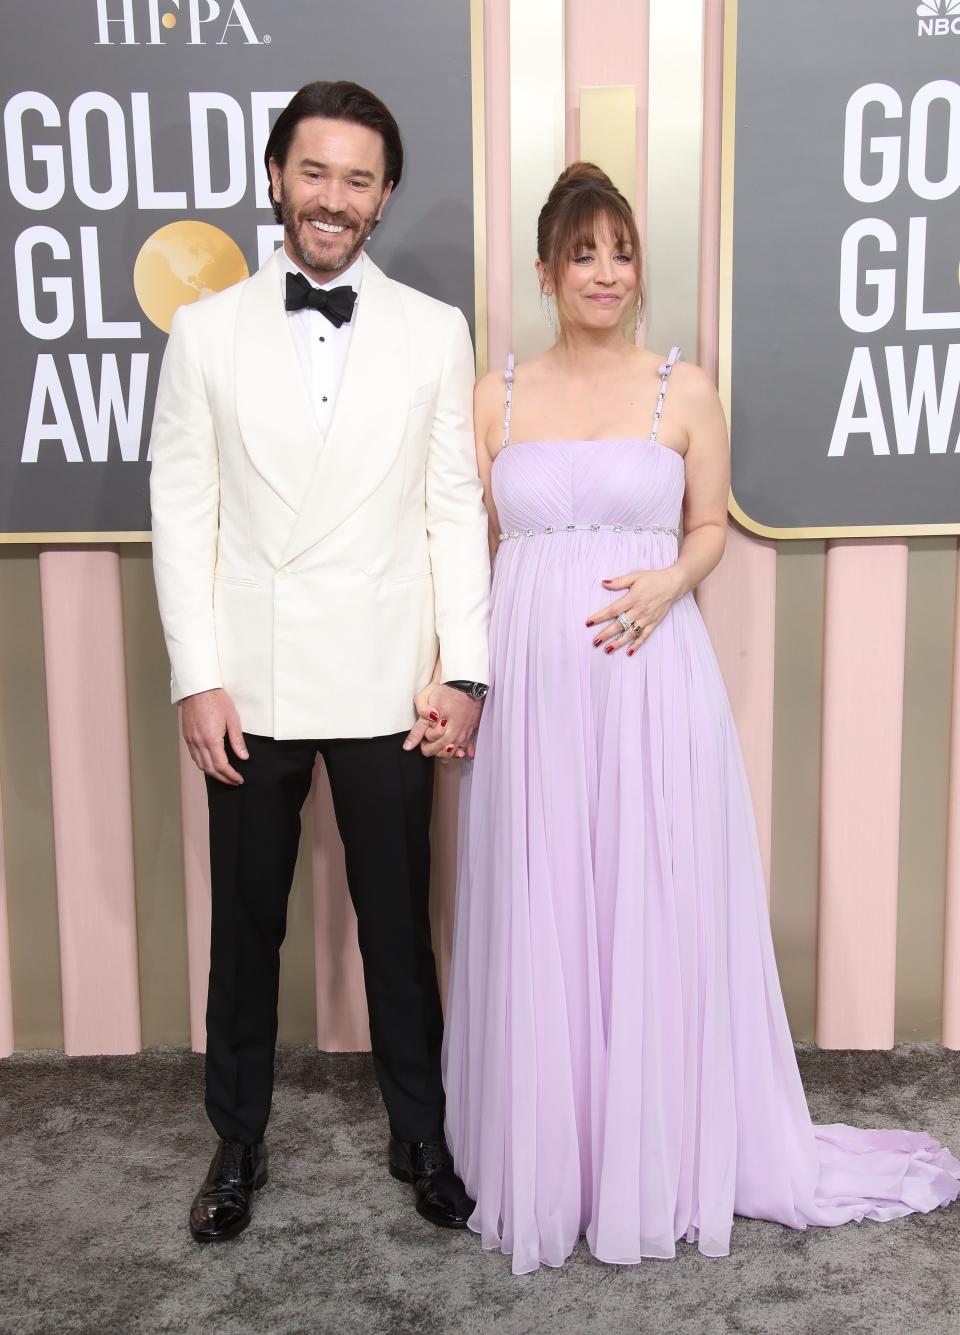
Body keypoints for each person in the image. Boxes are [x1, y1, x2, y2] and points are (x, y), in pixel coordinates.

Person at [439, 162, 960, 1274]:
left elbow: (710, 527)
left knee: (645, 901)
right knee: (546, 903)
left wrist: (671, 584)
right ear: (545, 270)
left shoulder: (687, 389)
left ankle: (658, 1154)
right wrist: (460, 674)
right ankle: (558, 1158)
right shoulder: (497, 398)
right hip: (535, 695)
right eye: (583, 252)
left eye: (622, 251)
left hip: (646, 683)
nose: (606, 272)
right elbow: (467, 552)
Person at [149, 80, 490, 1243]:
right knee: (247, 931)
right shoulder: (205, 332)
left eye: (357, 178)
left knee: (400, 928)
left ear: (384, 194)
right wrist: (197, 675)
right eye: (314, 173)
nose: (332, 199)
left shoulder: (435, 332)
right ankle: (235, 1140)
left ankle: (423, 1131)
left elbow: (454, 511)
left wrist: (466, 671)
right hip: (253, 683)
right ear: (278, 180)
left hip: (392, 680)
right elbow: (182, 513)